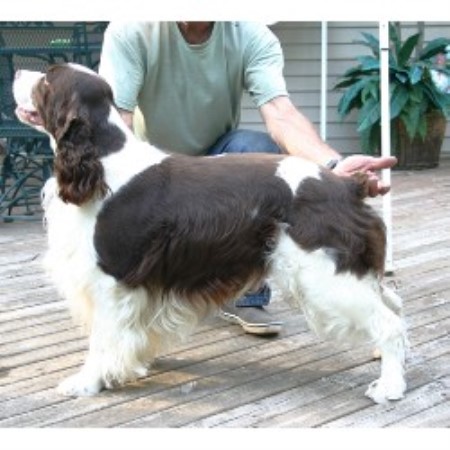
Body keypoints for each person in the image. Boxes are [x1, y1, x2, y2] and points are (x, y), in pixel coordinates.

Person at [98, 21, 396, 336]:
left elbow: (281, 114)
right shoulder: (131, 29)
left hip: (217, 163)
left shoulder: (250, 34)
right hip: (155, 169)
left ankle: (246, 293)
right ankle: (149, 297)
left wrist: (331, 166)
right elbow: (119, 120)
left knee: (256, 150)